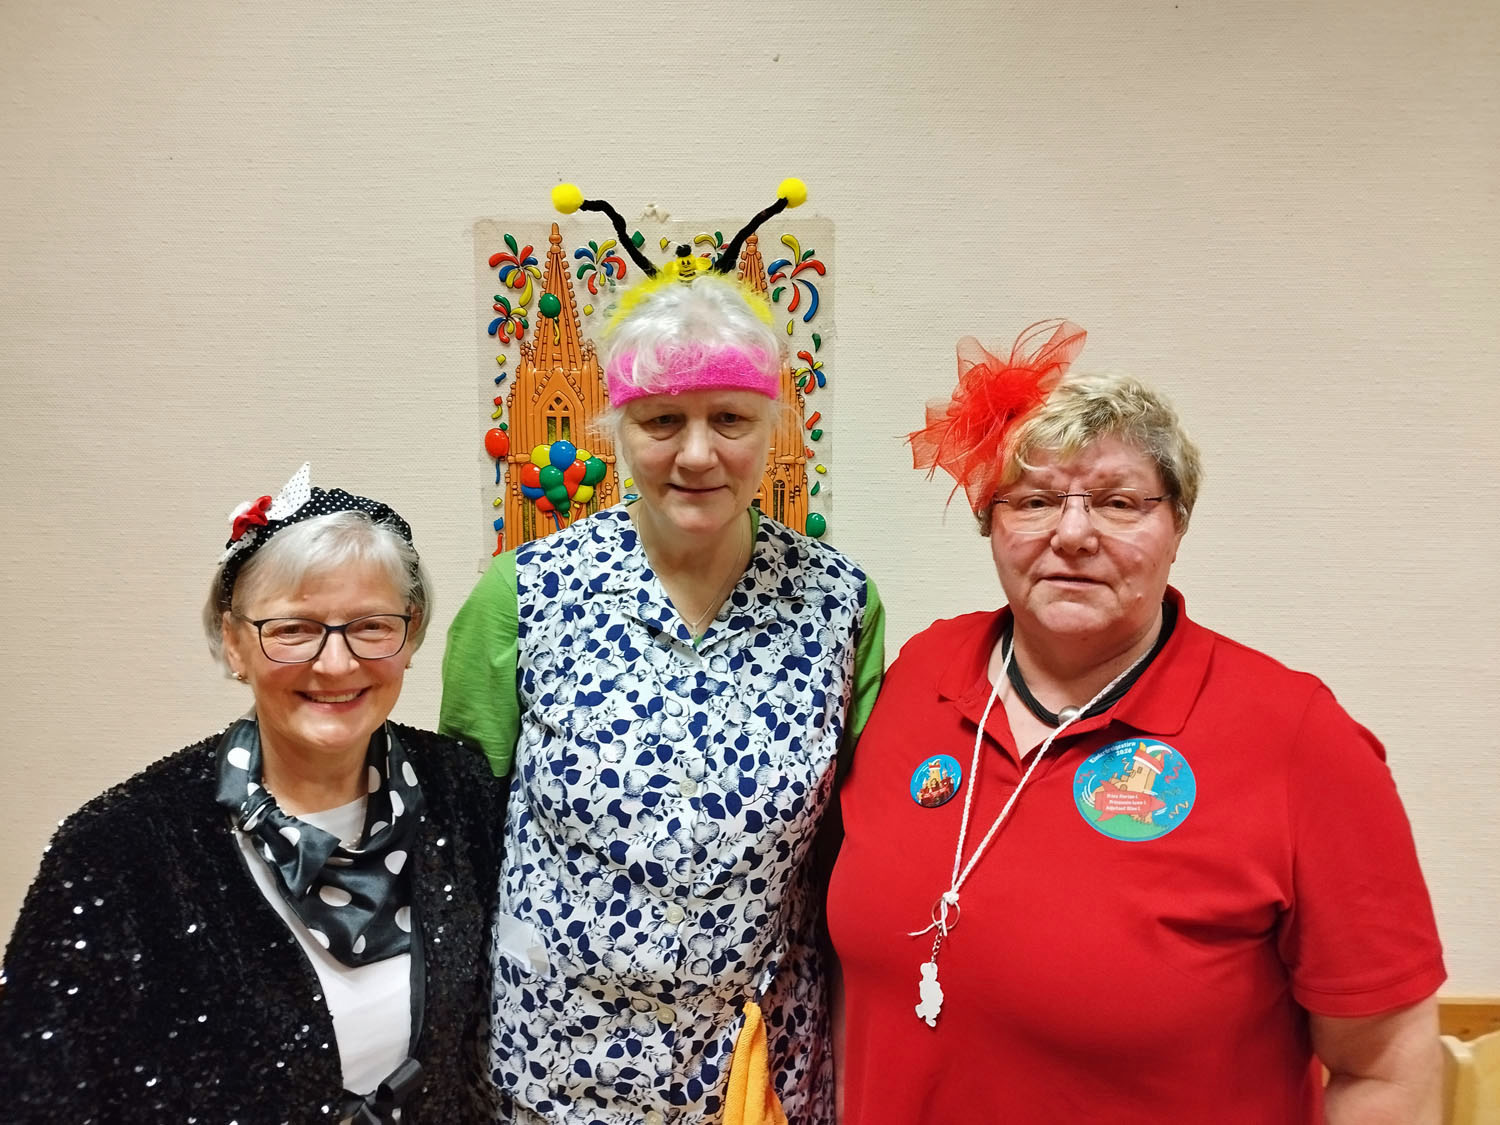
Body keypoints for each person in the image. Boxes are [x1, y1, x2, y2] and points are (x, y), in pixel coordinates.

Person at [827, 322, 1445, 1124]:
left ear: (1177, 525)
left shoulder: (1299, 740)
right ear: (992, 525)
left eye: (1119, 502)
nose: (1072, 533)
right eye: (1035, 501)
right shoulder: (921, 676)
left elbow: (1386, 1070)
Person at [440, 186, 884, 1125]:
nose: (697, 454)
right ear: (616, 429)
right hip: (554, 1070)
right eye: (662, 421)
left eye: (730, 419)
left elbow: (857, 849)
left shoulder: (840, 605)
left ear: (775, 427)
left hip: (754, 1073)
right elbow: (465, 832)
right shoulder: (522, 595)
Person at [0, 465, 506, 1124]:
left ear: (410, 634)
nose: (336, 663)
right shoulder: (118, 849)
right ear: (234, 641)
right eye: (293, 629)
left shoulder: (461, 792)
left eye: (371, 625)